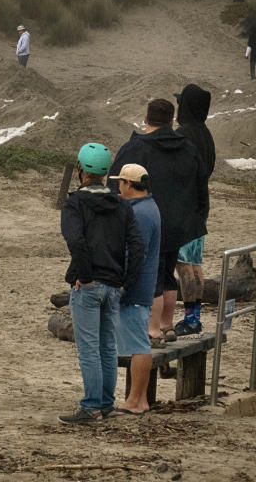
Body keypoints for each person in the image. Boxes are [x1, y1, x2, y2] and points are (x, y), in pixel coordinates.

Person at [108, 99, 207, 347]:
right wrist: (196, 218)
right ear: (172, 121)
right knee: (168, 274)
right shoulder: (188, 148)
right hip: (179, 224)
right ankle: (167, 325)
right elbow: (201, 187)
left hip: (146, 219)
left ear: (146, 119)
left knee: (152, 277)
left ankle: (152, 331)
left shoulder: (135, 148)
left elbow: (115, 186)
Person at [59, 143, 144, 424]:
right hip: (113, 285)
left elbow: (76, 240)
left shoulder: (75, 204)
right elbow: (137, 245)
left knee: (89, 349)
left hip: (89, 285)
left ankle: (91, 406)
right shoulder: (121, 204)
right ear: (107, 173)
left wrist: (84, 275)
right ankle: (106, 404)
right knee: (108, 347)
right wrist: (126, 282)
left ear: (81, 170)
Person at [109, 163, 161, 417]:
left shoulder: (140, 214)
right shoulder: (147, 207)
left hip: (136, 289)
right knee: (138, 343)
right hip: (142, 286)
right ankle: (136, 399)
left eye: (120, 182)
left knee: (139, 344)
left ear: (129, 184)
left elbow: (133, 254)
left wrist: (122, 285)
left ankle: (136, 401)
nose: (118, 186)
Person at [173, 84, 216, 336]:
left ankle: (190, 320)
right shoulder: (205, 134)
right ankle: (194, 316)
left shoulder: (184, 134)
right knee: (194, 263)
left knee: (184, 264)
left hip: (185, 207)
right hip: (201, 204)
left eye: (181, 103)